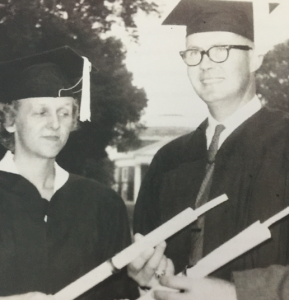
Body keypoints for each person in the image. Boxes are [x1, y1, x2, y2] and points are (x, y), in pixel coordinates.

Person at [132, 0, 289, 298]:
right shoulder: (168, 160)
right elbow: (147, 260)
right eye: (194, 53)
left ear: (255, 58)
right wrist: (146, 275)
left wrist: (235, 293)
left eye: (221, 50)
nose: (205, 64)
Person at [0, 47, 140, 300]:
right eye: (41, 112)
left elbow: (120, 293)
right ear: (10, 121)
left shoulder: (102, 203)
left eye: (64, 113)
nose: (55, 124)